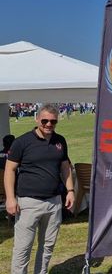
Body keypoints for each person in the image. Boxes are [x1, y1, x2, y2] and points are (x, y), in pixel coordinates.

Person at [4, 104, 75, 274]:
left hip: (54, 203)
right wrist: (10, 198)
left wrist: (71, 190)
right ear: (37, 119)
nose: (48, 124)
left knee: (47, 247)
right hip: (28, 203)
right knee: (23, 248)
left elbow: (65, 167)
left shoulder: (60, 141)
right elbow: (9, 170)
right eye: (44, 120)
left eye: (53, 121)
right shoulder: (22, 142)